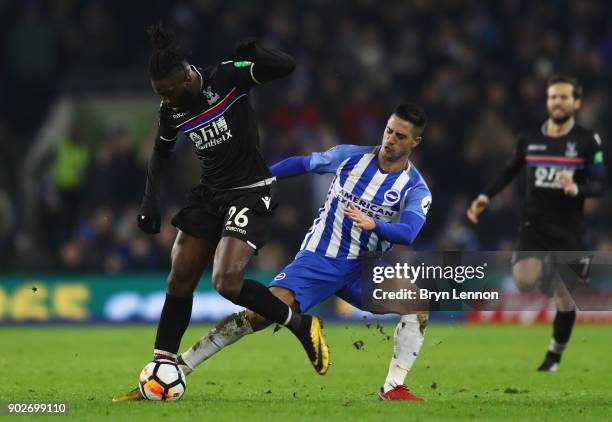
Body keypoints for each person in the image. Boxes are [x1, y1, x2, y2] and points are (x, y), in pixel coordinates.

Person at [113, 24, 328, 401]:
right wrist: (149, 202)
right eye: (158, 94)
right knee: (179, 278)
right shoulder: (171, 110)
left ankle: (300, 325)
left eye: (167, 91)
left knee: (226, 282)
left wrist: (259, 53)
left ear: (185, 76)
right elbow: (160, 154)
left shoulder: (227, 77)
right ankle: (161, 369)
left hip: (250, 191)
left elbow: (287, 66)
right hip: (210, 195)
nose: (164, 100)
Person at [176, 103, 432, 401]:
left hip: (364, 268)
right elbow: (303, 164)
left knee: (416, 303)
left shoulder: (415, 188)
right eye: (389, 131)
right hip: (319, 259)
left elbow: (409, 232)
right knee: (259, 316)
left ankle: (393, 387)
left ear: (415, 142)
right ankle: (183, 365)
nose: (390, 139)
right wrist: (260, 179)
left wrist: (374, 225)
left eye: (400, 136)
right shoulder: (351, 157)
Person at [467, 75, 606, 372]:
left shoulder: (586, 140)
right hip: (535, 223)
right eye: (553, 97)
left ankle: (554, 354)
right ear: (547, 101)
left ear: (576, 103)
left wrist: (577, 189)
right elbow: (508, 171)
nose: (557, 102)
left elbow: (600, 184)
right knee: (523, 280)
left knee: (567, 302)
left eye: (564, 97)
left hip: (570, 228)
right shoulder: (530, 139)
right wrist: (484, 196)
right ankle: (552, 279)